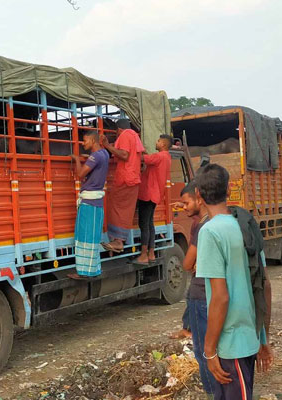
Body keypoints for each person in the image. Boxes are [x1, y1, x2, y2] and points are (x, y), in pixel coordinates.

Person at [195, 164, 273, 400]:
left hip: (230, 346)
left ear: (198, 194)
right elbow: (264, 286)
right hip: (248, 337)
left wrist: (208, 350)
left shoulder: (209, 232)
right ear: (229, 190)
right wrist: (262, 338)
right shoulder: (245, 226)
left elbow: (220, 297)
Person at [176, 181, 217, 398]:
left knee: (204, 351)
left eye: (186, 202)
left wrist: (194, 264)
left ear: (199, 198)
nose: (183, 207)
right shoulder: (219, 222)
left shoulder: (203, 226)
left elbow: (186, 264)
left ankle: (212, 394)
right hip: (214, 293)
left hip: (200, 293)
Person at [67, 131, 110, 280]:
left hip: (89, 202)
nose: (83, 143)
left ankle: (84, 272)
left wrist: (77, 160)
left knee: (84, 236)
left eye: (85, 141)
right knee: (92, 237)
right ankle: (92, 270)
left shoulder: (95, 156)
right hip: (96, 201)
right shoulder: (104, 154)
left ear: (92, 140)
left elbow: (80, 174)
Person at [100, 119, 145, 252]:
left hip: (125, 178)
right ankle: (118, 240)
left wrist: (107, 146)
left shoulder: (125, 135)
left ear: (118, 130)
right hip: (133, 178)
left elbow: (124, 154)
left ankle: (118, 241)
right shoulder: (134, 136)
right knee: (124, 209)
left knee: (115, 206)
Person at [135, 134, 173, 263]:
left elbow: (142, 158)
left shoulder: (159, 156)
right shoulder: (167, 157)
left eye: (158, 141)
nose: (156, 143)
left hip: (148, 193)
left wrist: (134, 149)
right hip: (156, 194)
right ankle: (151, 253)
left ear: (163, 144)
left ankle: (143, 255)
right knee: (150, 224)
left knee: (144, 224)